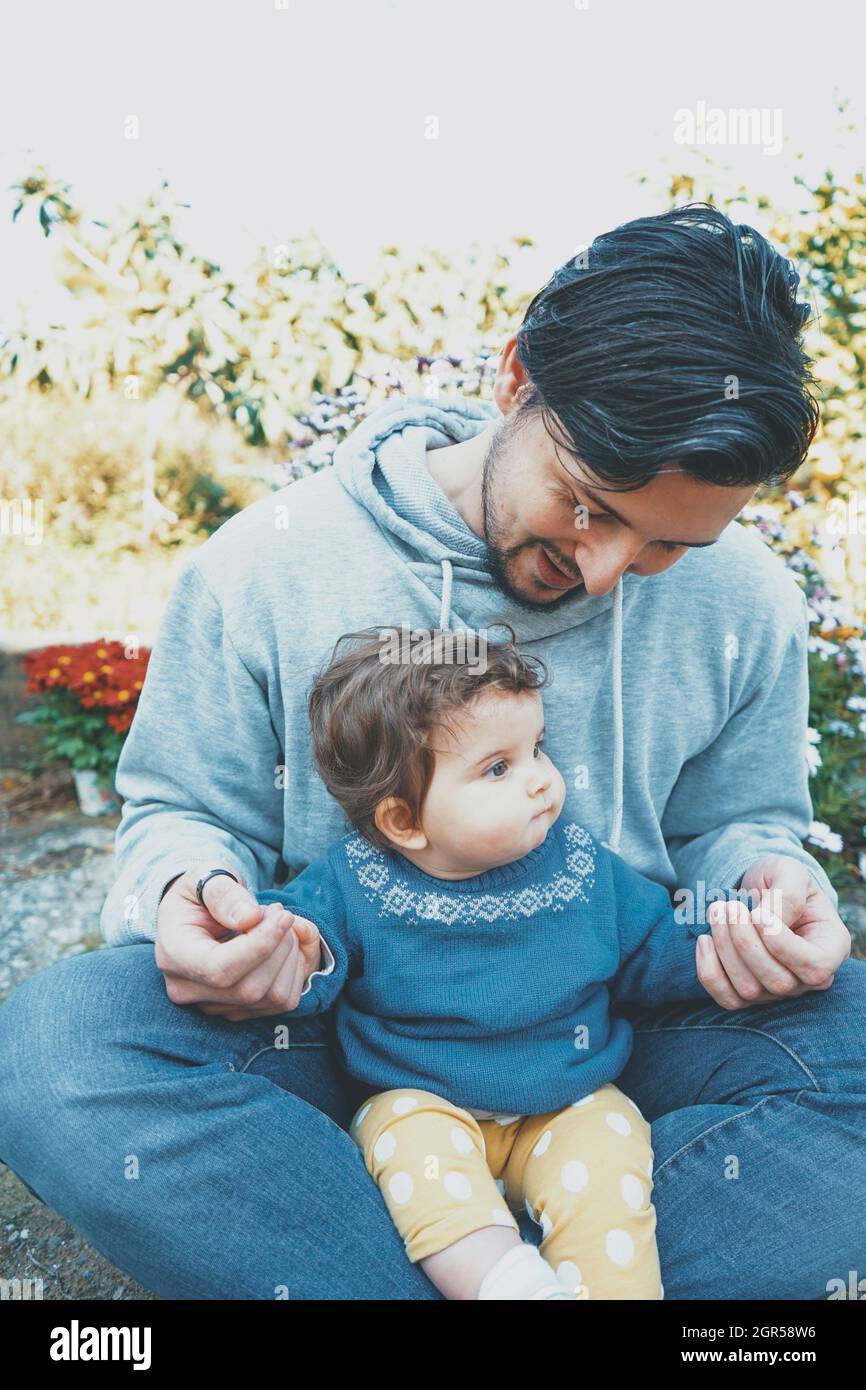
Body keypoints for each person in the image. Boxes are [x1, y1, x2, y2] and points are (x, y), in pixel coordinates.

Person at [0, 204, 858, 1302]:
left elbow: (739, 822)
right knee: (54, 1051)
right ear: (514, 379)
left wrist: (768, 884)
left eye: (665, 545)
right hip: (346, 1032)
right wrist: (194, 892)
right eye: (587, 506)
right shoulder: (268, 569)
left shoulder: (749, 603)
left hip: (626, 1015)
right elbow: (179, 810)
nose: (604, 572)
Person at [260, 623, 736, 1301]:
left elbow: (655, 946)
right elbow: (304, 949)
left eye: (537, 749)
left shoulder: (582, 868)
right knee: (410, 1150)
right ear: (404, 822)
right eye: (498, 768)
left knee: (611, 1151)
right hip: (423, 1102)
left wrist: (725, 942)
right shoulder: (353, 883)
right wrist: (294, 948)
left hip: (566, 1101)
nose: (542, 781)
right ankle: (508, 1283)